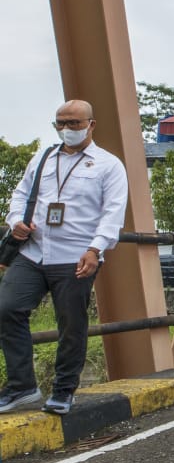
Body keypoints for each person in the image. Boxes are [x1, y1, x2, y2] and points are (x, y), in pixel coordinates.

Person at [0, 100, 127, 416]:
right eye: (60, 123)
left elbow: (113, 213)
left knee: (71, 323)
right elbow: (20, 194)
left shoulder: (108, 165)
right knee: (6, 308)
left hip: (76, 256)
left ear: (91, 124)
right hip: (33, 252)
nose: (67, 129)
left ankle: (64, 389)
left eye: (74, 123)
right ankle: (22, 387)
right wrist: (16, 219)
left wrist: (95, 249)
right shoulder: (42, 158)